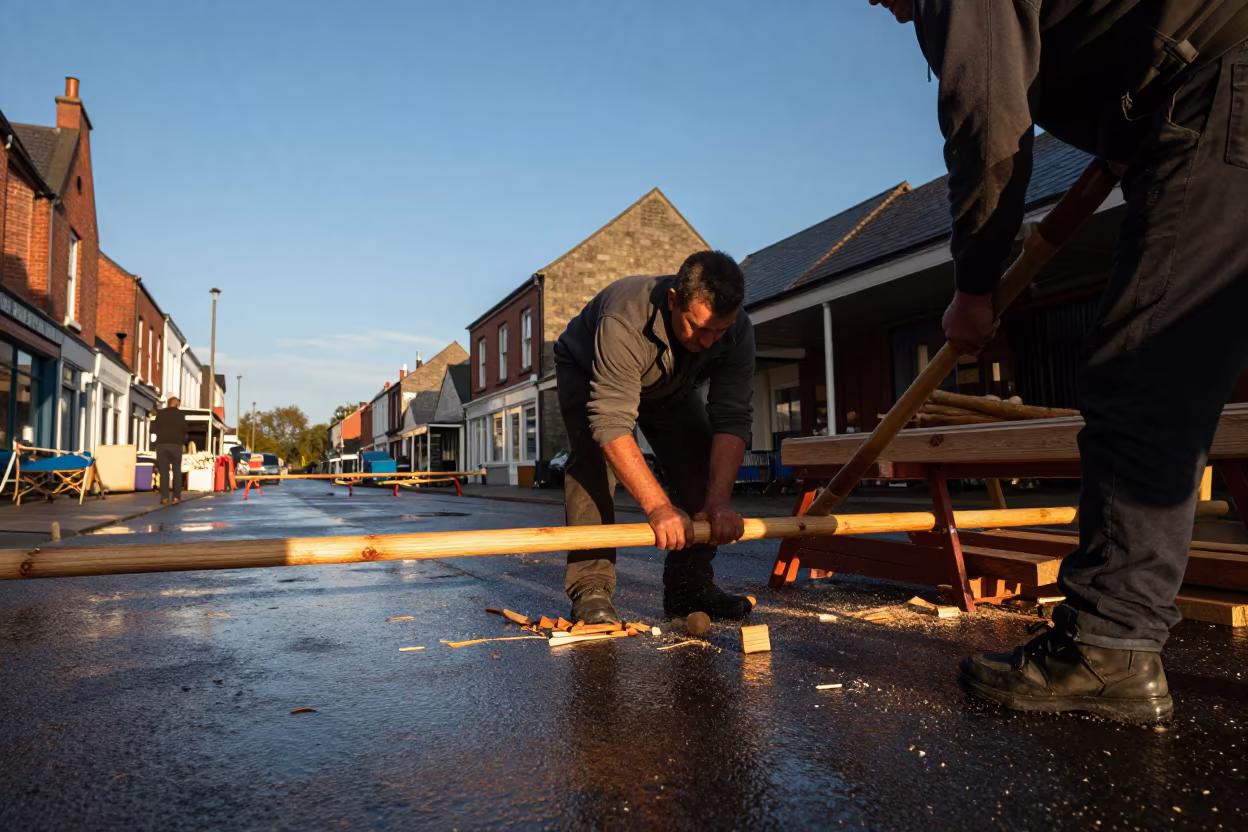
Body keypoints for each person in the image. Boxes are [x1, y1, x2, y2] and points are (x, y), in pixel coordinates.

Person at [871, 0, 1248, 721]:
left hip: (1220, 91)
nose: (882, 10)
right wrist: (1124, 136)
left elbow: (988, 127)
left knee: (1144, 372)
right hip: (1198, 93)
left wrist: (975, 284)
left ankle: (1109, 646)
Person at [553, 250, 756, 625]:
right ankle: (591, 588)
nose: (710, 341)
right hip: (588, 371)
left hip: (667, 386)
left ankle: (688, 588)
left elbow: (732, 417)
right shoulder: (625, 314)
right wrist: (659, 509)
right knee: (594, 464)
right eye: (699, 328)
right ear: (674, 300)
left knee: (699, 459)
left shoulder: (738, 330)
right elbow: (611, 421)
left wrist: (718, 504)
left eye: (720, 330)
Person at [153, 397, 188, 505]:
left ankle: (164, 498)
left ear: (168, 404)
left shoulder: (160, 413)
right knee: (177, 471)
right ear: (177, 405)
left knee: (164, 472)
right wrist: (182, 441)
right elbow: (185, 431)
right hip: (176, 445)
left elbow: (153, 429)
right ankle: (176, 497)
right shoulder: (180, 415)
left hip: (162, 445)